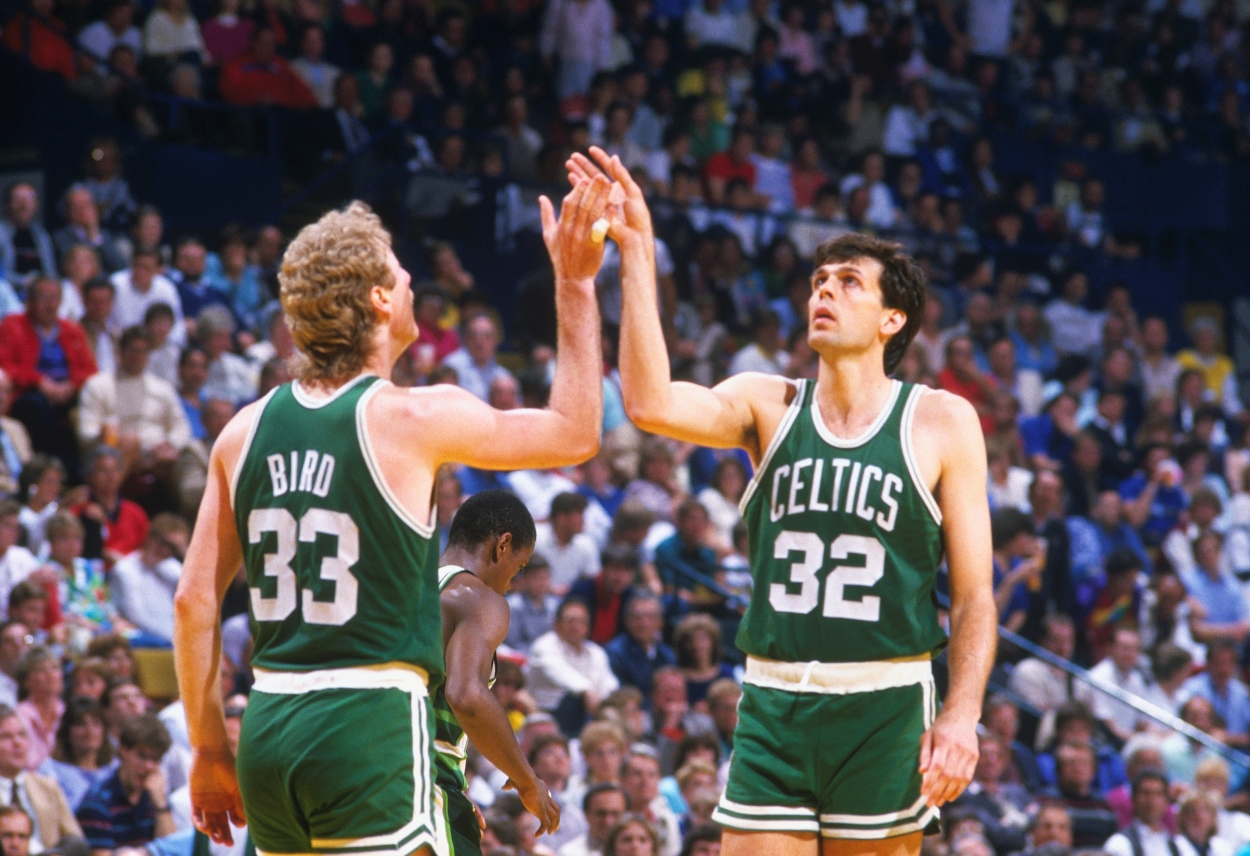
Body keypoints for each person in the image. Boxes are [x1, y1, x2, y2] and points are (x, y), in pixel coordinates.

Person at [580, 144, 995, 856]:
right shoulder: (765, 402)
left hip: (885, 703)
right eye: (817, 281)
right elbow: (649, 403)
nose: (823, 293)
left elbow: (977, 595)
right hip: (774, 699)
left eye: (847, 283)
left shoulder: (941, 421)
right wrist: (638, 250)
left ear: (893, 319)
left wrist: (961, 715)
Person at [173, 189, 608, 854]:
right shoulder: (410, 418)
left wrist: (207, 747)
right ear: (379, 299)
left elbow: (194, 600)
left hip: (267, 724)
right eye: (401, 273)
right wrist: (575, 283)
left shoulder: (242, 431)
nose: (411, 282)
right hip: (366, 723)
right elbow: (575, 432)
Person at [434, 489, 560, 856]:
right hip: (419, 784)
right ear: (502, 545)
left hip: (360, 777)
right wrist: (527, 781)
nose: (512, 581)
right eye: (519, 567)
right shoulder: (478, 598)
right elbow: (467, 696)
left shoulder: (407, 590)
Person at [76, 715, 175, 855]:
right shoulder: (98, 802)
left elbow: (170, 850)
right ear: (123, 751)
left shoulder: (155, 796)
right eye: (142, 756)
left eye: (156, 759)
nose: (148, 766)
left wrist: (160, 806)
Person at [0, 706, 86, 856]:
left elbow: (77, 840)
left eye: (22, 735)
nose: (18, 743)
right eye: (6, 737)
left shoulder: (47, 786)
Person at [525, 599, 620, 735]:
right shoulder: (544, 645)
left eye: (582, 621)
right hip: (545, 713)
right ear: (556, 624)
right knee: (575, 698)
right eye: (570, 620)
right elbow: (559, 673)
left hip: (588, 715)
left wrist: (609, 705)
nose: (576, 626)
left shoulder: (595, 652)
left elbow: (608, 683)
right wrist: (587, 689)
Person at [109, 514, 189, 644]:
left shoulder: (174, 568)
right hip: (145, 638)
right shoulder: (126, 570)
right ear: (150, 538)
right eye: (163, 543)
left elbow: (195, 604)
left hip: (171, 637)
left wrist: (185, 553)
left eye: (173, 547)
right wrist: (174, 638)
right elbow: (137, 617)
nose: (165, 550)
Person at [605, 592, 676, 693]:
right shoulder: (615, 653)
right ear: (626, 620)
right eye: (637, 616)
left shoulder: (667, 655)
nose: (644, 623)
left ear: (661, 622)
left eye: (651, 616)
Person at [1102, 770, 1172, 856]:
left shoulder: (1177, 845)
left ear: (1166, 800)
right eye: (1145, 793)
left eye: (1158, 794)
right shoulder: (1119, 843)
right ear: (1133, 799)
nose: (1152, 800)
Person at [559, 783, 626, 856]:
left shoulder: (636, 852)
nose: (608, 821)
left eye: (615, 814)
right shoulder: (569, 853)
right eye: (601, 814)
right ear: (586, 815)